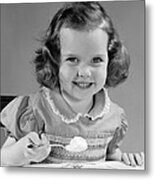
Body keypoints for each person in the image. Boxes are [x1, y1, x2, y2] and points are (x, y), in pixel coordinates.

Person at [0, 2, 144, 167]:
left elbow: (110, 158)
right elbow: (3, 159)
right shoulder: (35, 111)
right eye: (72, 59)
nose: (84, 72)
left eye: (96, 60)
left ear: (110, 61)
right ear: (55, 62)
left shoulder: (114, 118)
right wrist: (20, 153)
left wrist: (124, 159)